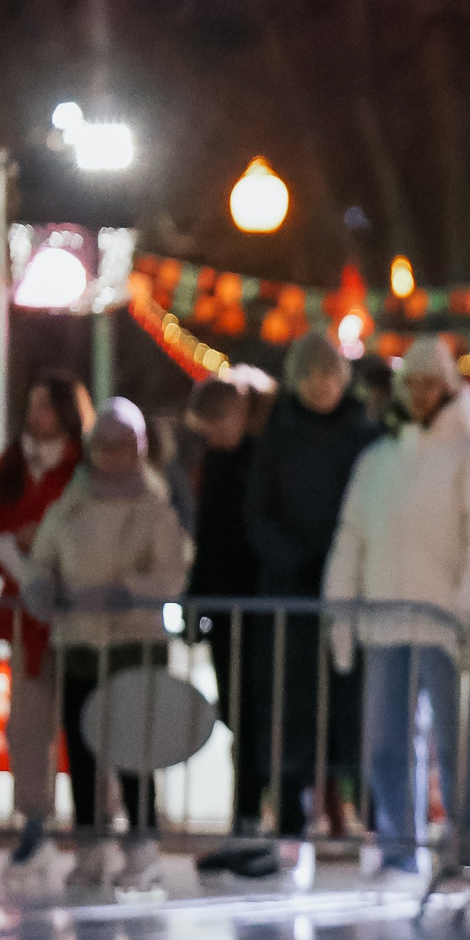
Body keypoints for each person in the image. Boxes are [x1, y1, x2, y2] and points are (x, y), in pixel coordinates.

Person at [324, 337, 470, 880]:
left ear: (448, 388)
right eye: (412, 384)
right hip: (386, 625)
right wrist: (342, 612)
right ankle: (399, 847)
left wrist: (464, 614)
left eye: (430, 383)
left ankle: (467, 847)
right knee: (383, 744)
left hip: (443, 627)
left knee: (457, 746)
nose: (420, 394)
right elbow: (352, 537)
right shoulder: (377, 462)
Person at [21, 399, 192, 894]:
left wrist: (131, 592)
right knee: (83, 747)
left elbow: (171, 572)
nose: (113, 455)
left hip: (133, 645)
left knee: (134, 750)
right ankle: (90, 847)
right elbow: (44, 557)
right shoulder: (71, 504)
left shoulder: (154, 507)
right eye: (105, 445)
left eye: (123, 446)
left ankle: (142, 849)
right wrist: (40, 586)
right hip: (79, 642)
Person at [243, 331, 380, 843]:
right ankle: (292, 814)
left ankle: (370, 814)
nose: (320, 384)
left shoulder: (366, 439)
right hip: (290, 594)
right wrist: (294, 561)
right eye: (310, 375)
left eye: (328, 374)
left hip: (350, 595)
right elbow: (258, 514)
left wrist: (346, 564)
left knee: (354, 705)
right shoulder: (277, 440)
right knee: (291, 705)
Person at [0, 374, 91, 885]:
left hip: (78, 618)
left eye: (45, 405)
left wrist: (42, 543)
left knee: (86, 726)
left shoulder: (83, 469)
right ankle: (35, 823)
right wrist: (16, 557)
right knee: (27, 726)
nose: (35, 415)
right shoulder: (12, 467)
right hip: (25, 621)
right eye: (32, 404)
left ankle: (95, 829)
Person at [179, 371, 283, 879]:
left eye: (213, 424)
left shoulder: (262, 462)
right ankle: (245, 822)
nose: (209, 436)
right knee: (239, 716)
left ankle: (259, 824)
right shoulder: (218, 463)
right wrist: (195, 601)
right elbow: (208, 537)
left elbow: (244, 538)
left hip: (257, 609)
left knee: (256, 719)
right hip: (224, 610)